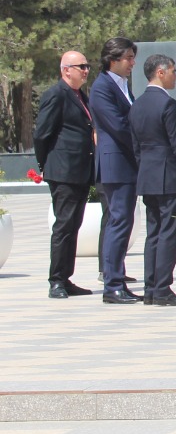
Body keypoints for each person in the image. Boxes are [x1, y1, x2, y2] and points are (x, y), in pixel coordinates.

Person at [129, 55, 176, 306]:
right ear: (160, 73)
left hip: (148, 177)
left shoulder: (137, 104)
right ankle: (163, 288)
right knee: (169, 233)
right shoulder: (168, 104)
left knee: (154, 233)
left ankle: (151, 288)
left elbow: (135, 147)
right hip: (169, 177)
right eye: (173, 71)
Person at [35, 50, 97, 299]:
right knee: (63, 226)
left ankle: (66, 277)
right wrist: (45, 164)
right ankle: (56, 281)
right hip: (63, 170)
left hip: (81, 170)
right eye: (80, 66)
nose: (85, 70)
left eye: (87, 66)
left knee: (74, 225)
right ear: (65, 70)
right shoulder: (56, 94)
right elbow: (42, 134)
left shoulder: (81, 95)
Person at [89, 37, 141, 303]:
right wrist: (143, 142)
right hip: (116, 165)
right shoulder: (102, 88)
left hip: (126, 166)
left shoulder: (122, 85)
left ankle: (118, 278)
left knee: (124, 222)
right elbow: (119, 126)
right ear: (113, 59)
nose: (133, 63)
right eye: (128, 58)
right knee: (118, 222)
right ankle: (112, 284)